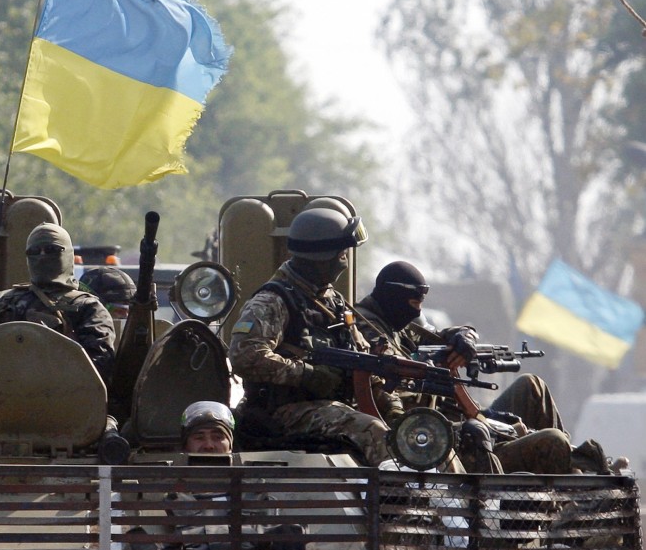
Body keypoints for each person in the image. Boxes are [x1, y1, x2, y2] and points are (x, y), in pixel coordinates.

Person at [354, 260, 615, 475]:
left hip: (458, 417)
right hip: (440, 437)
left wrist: (463, 338)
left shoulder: (396, 324)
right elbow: (390, 391)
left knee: (532, 387)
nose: (416, 312)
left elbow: (437, 336)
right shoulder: (367, 330)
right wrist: (431, 369)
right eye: (413, 305)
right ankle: (575, 478)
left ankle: (577, 467)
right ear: (394, 297)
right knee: (552, 441)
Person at [227, 200, 398, 467]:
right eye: (341, 251)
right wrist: (307, 375)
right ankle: (398, 503)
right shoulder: (273, 301)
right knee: (373, 432)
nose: (345, 258)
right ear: (321, 257)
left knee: (421, 432)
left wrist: (394, 409)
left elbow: (365, 363)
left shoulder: (334, 303)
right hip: (282, 412)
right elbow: (245, 355)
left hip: (332, 407)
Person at [0, 223, 116, 386]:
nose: (42, 257)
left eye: (51, 250)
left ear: (68, 254)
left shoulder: (87, 307)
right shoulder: (0, 302)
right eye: (34, 252)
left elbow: (98, 367)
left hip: (63, 400)